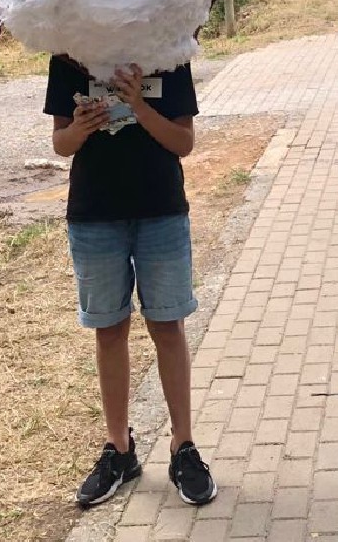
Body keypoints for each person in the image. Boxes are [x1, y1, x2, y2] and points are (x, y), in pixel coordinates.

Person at [47, 59, 217, 509]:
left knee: (168, 326)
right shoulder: (68, 55)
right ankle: (119, 449)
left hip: (161, 210)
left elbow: (183, 142)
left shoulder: (167, 52)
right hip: (94, 214)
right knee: (109, 329)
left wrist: (138, 105)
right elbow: (61, 144)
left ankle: (183, 447)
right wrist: (80, 128)